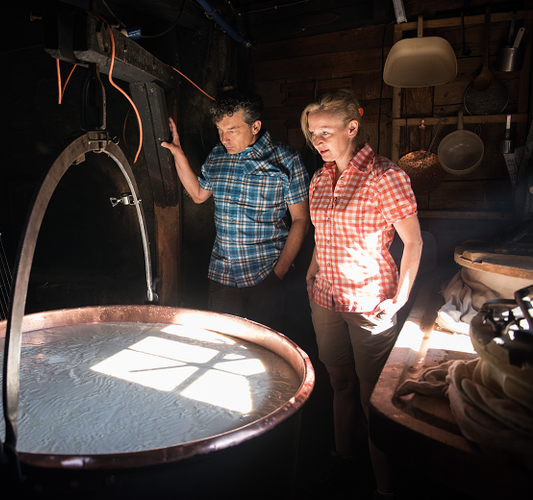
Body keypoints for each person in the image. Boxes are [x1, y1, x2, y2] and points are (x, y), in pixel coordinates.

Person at [301, 89, 423, 499]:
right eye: (312, 132)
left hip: (371, 302)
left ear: (352, 128)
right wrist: (313, 270)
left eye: (326, 131)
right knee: (339, 382)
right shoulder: (320, 176)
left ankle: (386, 487)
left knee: (375, 400)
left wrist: (400, 298)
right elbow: (323, 232)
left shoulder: (385, 176)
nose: (318, 140)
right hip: (327, 298)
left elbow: (414, 242)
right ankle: (343, 457)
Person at [161, 89, 310, 335]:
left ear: (255, 126)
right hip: (223, 274)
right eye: (220, 130)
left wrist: (278, 273)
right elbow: (199, 195)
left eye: (232, 130)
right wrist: (178, 154)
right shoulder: (218, 156)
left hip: (265, 272)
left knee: (266, 346)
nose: (224, 138)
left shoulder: (286, 160)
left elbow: (301, 220)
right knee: (222, 342)